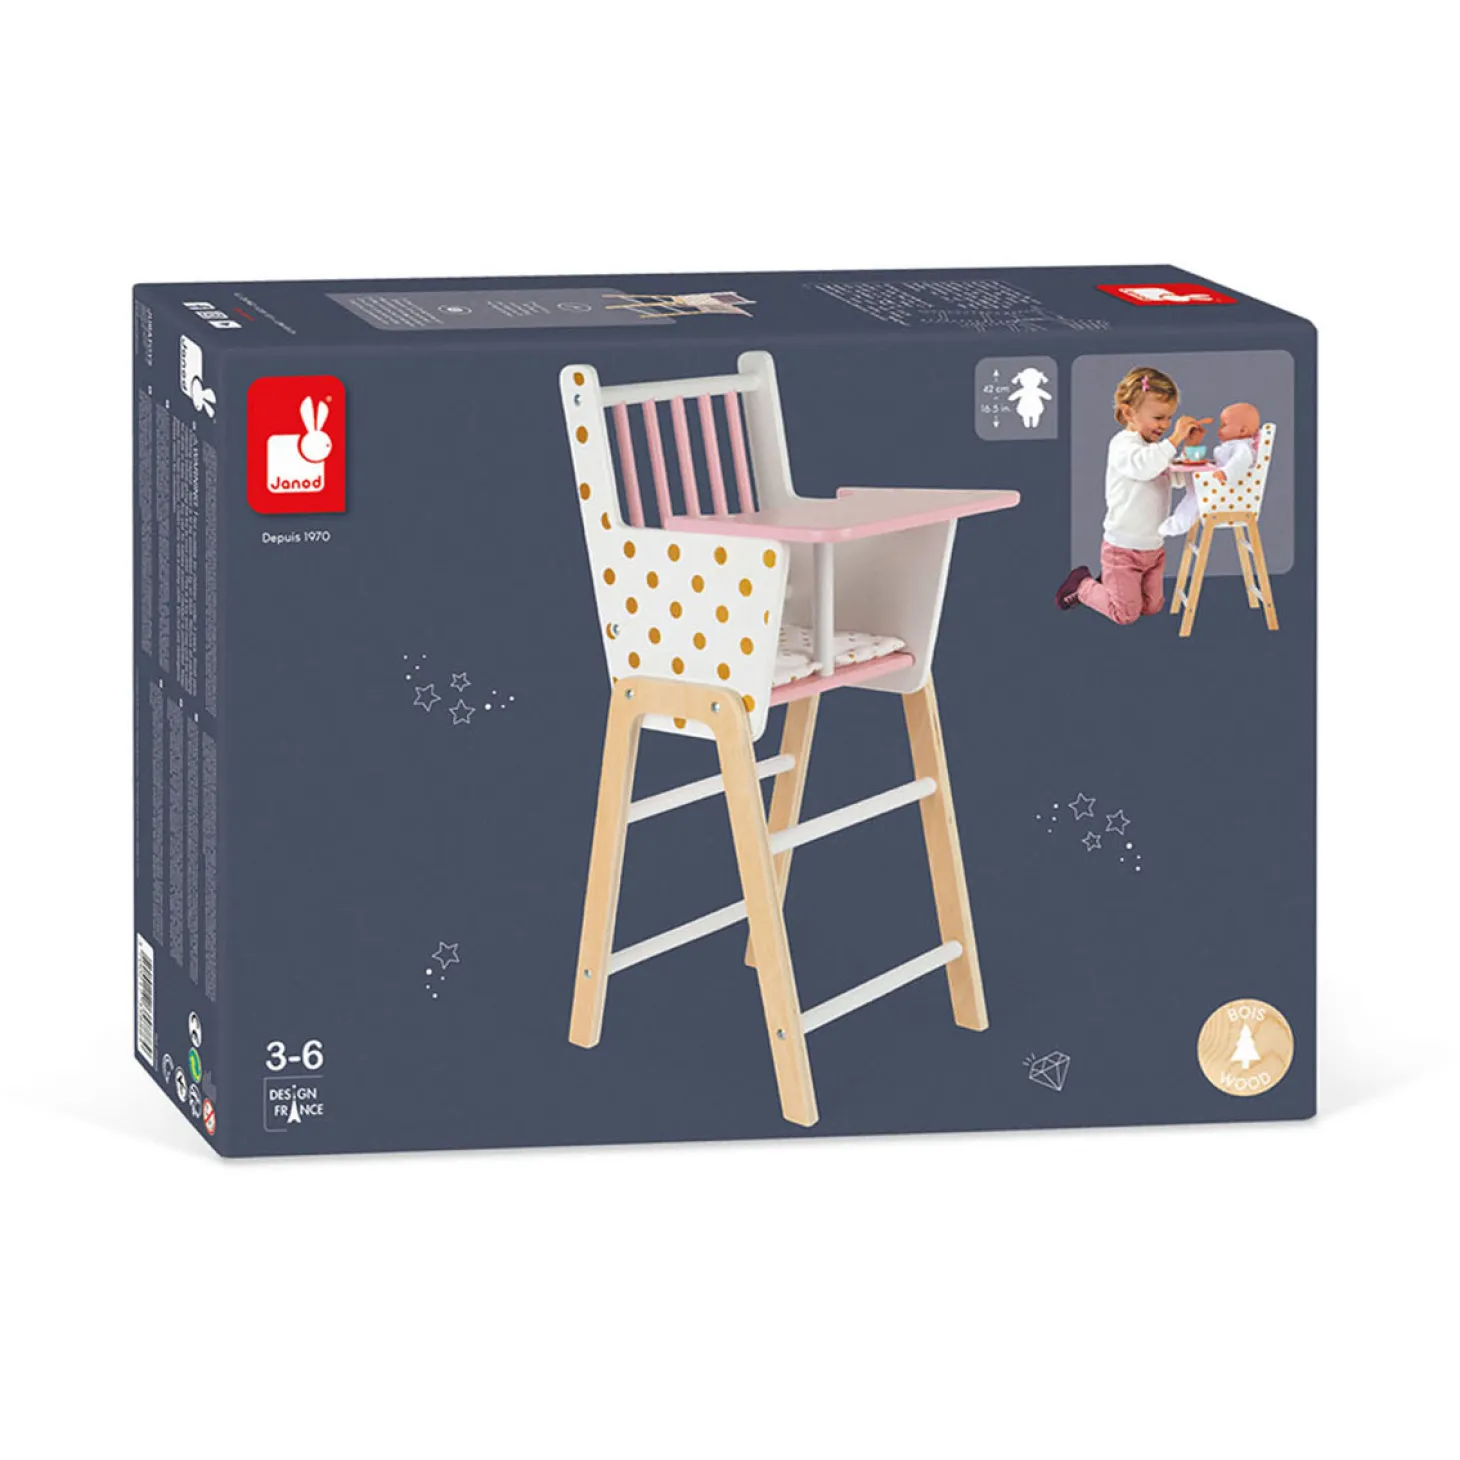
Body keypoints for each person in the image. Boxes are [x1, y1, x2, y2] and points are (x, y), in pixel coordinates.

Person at [1055, 366, 1208, 623]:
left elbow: (1179, 479)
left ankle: (1111, 584)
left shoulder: (1156, 450)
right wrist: (1174, 439)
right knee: (1125, 614)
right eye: (1158, 418)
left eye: (1170, 418)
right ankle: (1082, 585)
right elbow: (1145, 466)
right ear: (1128, 413)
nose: (1165, 425)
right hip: (1123, 548)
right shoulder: (1123, 445)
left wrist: (1190, 447)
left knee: (1152, 607)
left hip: (1154, 547)